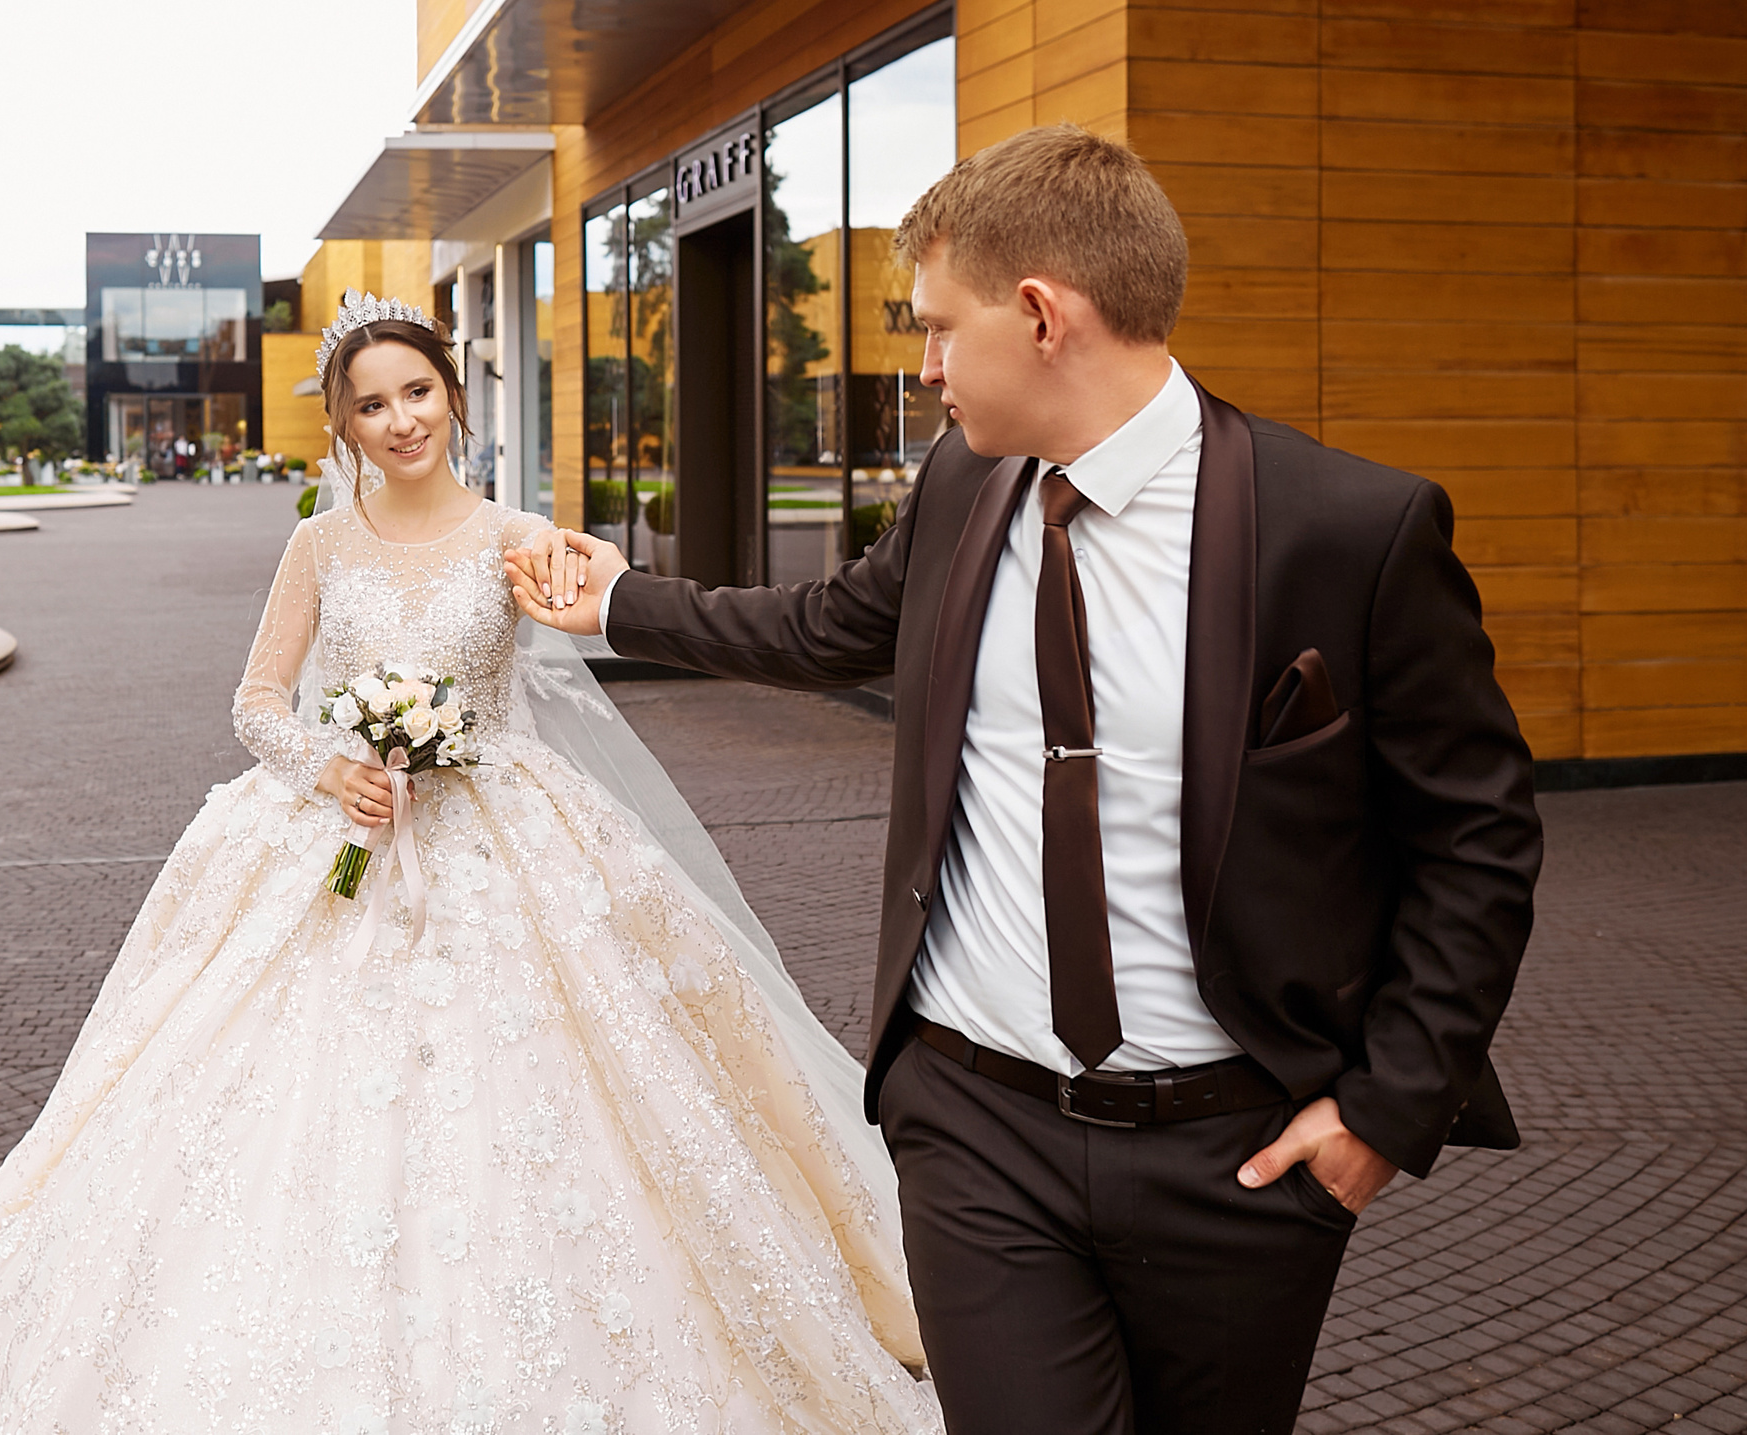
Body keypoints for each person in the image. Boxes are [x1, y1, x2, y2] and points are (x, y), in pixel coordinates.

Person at [507, 124, 1542, 1435]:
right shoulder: (960, 481)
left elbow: (1479, 841)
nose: (925, 365)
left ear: (1043, 314)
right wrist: (623, 601)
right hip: (971, 1120)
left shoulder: (1351, 530)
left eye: (939, 327)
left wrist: (1385, 1111)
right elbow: (830, 623)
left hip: (1238, 1152)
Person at [0, 291, 944, 1435]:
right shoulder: (318, 543)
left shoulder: (514, 535)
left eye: (416, 392)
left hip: (499, 841)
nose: (400, 420)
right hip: (333, 842)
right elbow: (255, 701)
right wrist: (323, 764)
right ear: (342, 428)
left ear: (451, 394)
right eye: (371, 405)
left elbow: (590, 628)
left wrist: (582, 603)